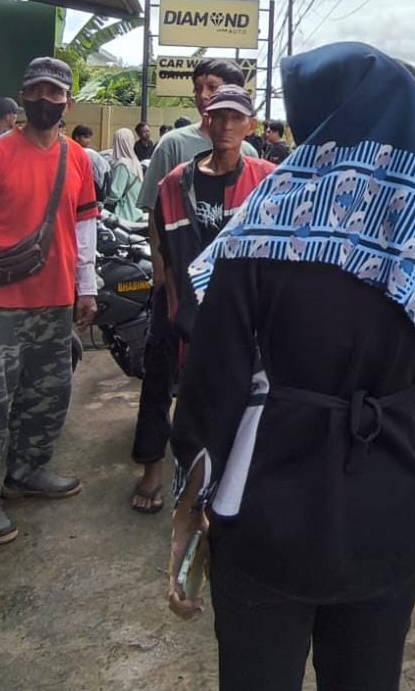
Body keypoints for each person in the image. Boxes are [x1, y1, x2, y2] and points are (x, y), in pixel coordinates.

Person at [165, 42, 415, 690]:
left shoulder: (269, 213)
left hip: (270, 500)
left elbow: (213, 381)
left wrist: (188, 509)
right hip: (386, 504)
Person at [0, 57, 98, 544]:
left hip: (55, 301)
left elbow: (85, 225)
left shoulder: (77, 158)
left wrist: (88, 286)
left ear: (68, 102)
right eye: (34, 91)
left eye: (54, 94)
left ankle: (28, 471)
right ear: (22, 96)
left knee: (48, 394)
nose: (44, 101)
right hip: (0, 306)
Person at [129, 60, 259, 514]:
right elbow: (156, 224)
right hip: (178, 300)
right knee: (162, 382)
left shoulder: (264, 177)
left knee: (237, 393)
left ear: (249, 122)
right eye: (212, 107)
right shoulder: (174, 166)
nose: (221, 120)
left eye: (231, 113)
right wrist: (164, 282)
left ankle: (230, 482)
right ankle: (153, 470)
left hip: (239, 311)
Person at [153, 84, 274, 344]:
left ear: (250, 126)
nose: (226, 126)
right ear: (208, 121)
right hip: (192, 320)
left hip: (248, 320)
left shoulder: (268, 179)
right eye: (219, 117)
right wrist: (175, 306)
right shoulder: (176, 183)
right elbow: (167, 252)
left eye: (236, 118)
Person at [103, 127, 146, 223]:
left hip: (123, 214)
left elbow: (116, 193)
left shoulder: (123, 165)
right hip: (136, 212)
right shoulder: (135, 162)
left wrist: (103, 202)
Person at [70, 124, 110, 199]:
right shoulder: (84, 152)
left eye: (89, 138)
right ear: (77, 138)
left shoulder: (87, 152)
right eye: (85, 137)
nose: (88, 140)